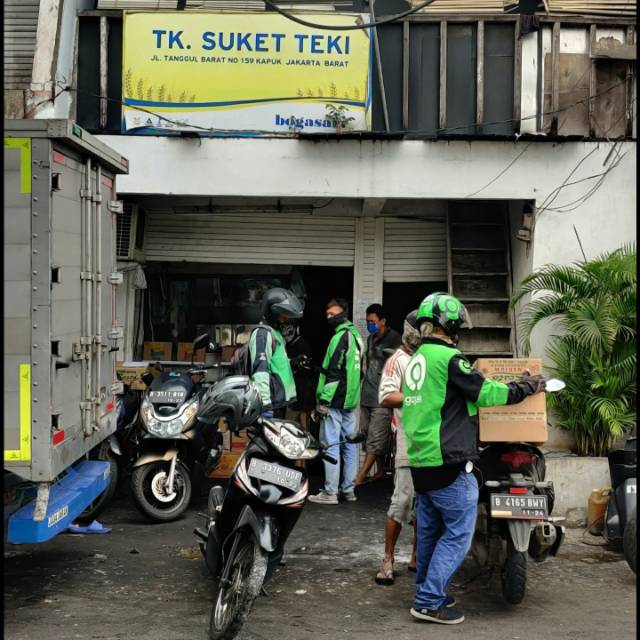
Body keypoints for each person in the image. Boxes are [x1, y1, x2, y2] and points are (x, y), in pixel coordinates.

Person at [402, 292, 546, 625]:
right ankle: (427, 601)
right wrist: (527, 387)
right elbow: (486, 393)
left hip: (423, 462)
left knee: (430, 532)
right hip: (450, 462)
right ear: (450, 325)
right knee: (456, 536)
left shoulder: (418, 358)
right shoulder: (449, 358)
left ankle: (426, 591)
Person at [374, 309, 420, 585]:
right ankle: (388, 559)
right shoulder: (398, 360)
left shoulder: (429, 358)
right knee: (402, 501)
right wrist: (418, 399)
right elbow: (387, 396)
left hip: (432, 445)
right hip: (408, 443)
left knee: (423, 506)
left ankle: (416, 557)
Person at [308, 298, 364, 505]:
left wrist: (323, 401)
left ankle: (330, 492)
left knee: (330, 444)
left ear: (343, 313)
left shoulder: (340, 337)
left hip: (334, 401)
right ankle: (348, 490)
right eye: (328, 314)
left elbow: (333, 373)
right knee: (349, 445)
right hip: (351, 401)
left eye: (333, 314)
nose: (329, 317)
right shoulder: (358, 338)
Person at [355, 303, 402, 486]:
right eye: (367, 322)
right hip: (367, 394)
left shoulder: (395, 339)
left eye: (372, 322)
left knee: (376, 437)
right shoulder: (369, 339)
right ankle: (381, 470)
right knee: (367, 435)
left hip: (383, 398)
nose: (370, 325)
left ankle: (360, 476)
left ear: (383, 321)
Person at [248, 287, 304, 420]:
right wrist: (265, 405)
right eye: (283, 315)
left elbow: (275, 363)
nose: (286, 319)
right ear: (272, 312)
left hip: (278, 402)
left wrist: (292, 363)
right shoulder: (262, 334)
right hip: (270, 404)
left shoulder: (275, 333)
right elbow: (260, 371)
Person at [282, 323, 314, 430]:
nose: (286, 337)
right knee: (301, 416)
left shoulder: (302, 344)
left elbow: (306, 367)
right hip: (295, 386)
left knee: (294, 419)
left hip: (302, 387)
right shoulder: (288, 345)